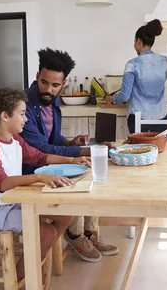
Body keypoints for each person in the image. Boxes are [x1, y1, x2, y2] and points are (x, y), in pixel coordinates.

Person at [0, 87, 91, 280]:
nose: (25, 119)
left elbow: (40, 157)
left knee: (65, 215)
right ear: (4, 116)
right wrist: (39, 177)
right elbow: (2, 183)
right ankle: (19, 280)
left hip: (13, 203)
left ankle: (34, 260)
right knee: (46, 232)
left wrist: (71, 160)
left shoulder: (15, 139)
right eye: (21, 114)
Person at [20, 48, 119, 263]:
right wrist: (85, 150)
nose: (49, 89)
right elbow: (41, 150)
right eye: (44, 82)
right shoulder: (24, 106)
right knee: (77, 178)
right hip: (31, 171)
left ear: (63, 85)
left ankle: (90, 233)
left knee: (91, 172)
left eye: (55, 85)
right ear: (37, 77)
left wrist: (69, 143)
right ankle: (74, 234)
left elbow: (52, 140)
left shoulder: (52, 100)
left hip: (47, 164)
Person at [105, 19, 167, 133]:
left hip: (139, 119)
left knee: (140, 150)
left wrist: (111, 98)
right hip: (161, 116)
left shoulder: (132, 64)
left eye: (134, 41)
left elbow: (124, 96)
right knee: (161, 149)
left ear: (138, 41)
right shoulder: (164, 61)